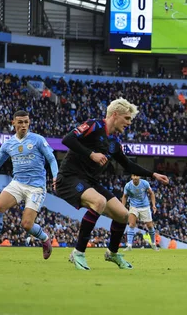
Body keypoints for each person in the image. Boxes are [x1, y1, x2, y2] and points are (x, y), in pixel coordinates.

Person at [54, 98, 170, 270]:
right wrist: (91, 154)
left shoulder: (114, 142)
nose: (129, 123)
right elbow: (67, 139)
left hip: (90, 182)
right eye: (127, 118)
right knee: (98, 202)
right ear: (115, 115)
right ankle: (78, 253)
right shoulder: (94, 125)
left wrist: (153, 174)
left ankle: (112, 253)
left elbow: (128, 164)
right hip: (69, 178)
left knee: (124, 215)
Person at [0, 110, 58, 260]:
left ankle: (45, 238)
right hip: (17, 183)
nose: (23, 125)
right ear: (13, 123)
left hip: (36, 187)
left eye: (26, 122)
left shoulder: (38, 140)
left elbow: (52, 159)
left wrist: (55, 176)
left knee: (27, 225)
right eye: (20, 122)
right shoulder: (8, 144)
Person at [121, 175, 160, 251]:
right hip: (133, 206)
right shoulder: (128, 185)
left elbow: (151, 193)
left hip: (145, 206)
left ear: (139, 177)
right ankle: (129, 245)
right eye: (134, 176)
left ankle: (153, 244)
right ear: (131, 177)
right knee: (131, 224)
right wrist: (122, 207)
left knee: (149, 226)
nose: (135, 177)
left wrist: (154, 205)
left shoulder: (145, 183)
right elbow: (124, 196)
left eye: (137, 176)